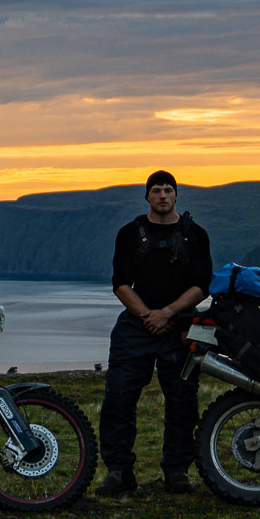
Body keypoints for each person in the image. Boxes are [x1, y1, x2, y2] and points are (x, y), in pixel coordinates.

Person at [97, 170, 213, 497]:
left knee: (182, 401)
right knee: (118, 399)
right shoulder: (130, 234)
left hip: (181, 325)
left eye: (168, 190)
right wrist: (148, 315)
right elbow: (120, 283)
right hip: (137, 325)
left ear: (176, 196)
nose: (162, 195)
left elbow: (203, 285)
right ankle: (119, 473)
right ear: (147, 196)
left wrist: (168, 312)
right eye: (156, 190)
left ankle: (176, 472)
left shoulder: (196, 235)